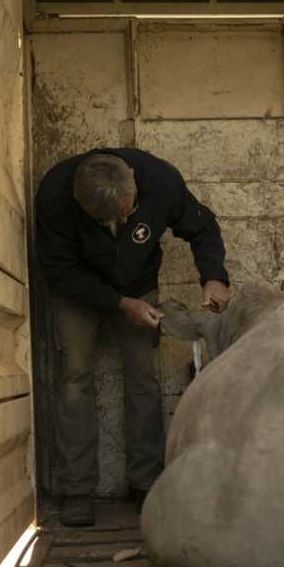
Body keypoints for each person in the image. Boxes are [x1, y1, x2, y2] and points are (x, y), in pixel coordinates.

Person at [35, 148, 231, 526]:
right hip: (78, 290)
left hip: (138, 283)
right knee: (75, 377)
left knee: (143, 377)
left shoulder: (161, 181)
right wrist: (118, 303)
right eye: (111, 220)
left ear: (135, 186)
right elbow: (58, 271)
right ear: (81, 205)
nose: (123, 221)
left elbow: (202, 227)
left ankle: (147, 483)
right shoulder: (55, 195)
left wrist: (214, 276)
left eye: (129, 212)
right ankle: (76, 490)